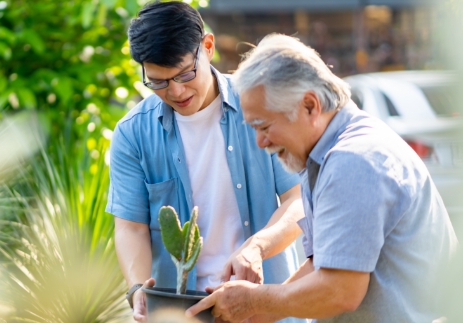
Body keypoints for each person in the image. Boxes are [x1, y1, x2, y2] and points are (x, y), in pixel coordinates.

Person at [187, 33, 459, 323]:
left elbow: (339, 290)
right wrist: (249, 312)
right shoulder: (325, 154)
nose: (259, 142)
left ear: (310, 106)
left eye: (263, 126)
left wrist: (251, 299)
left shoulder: (352, 160)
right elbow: (327, 265)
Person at [106, 3, 306, 323]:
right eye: (158, 82)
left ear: (208, 47)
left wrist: (257, 247)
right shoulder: (132, 134)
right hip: (180, 312)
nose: (176, 91)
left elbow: (298, 200)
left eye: (185, 74)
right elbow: (130, 226)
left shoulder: (259, 105)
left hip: (264, 306)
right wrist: (137, 288)